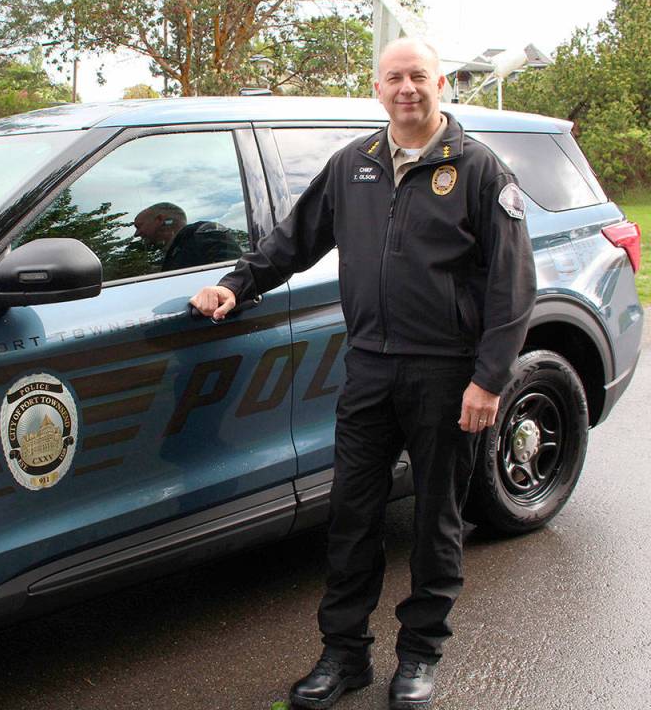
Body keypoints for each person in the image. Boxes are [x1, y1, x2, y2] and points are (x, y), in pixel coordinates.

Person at [190, 38, 536, 710]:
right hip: (370, 368)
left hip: (447, 375)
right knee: (351, 516)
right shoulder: (355, 165)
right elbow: (293, 239)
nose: (407, 88)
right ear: (377, 88)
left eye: (419, 76)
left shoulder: (478, 169)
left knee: (436, 521)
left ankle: (420, 656)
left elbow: (512, 286)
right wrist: (236, 284)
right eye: (393, 78)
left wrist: (489, 380)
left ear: (441, 84)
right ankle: (344, 654)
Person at [133, 202, 242, 272]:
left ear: (159, 219)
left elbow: (234, 273)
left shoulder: (204, 234)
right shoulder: (171, 253)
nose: (136, 234)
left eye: (139, 226)